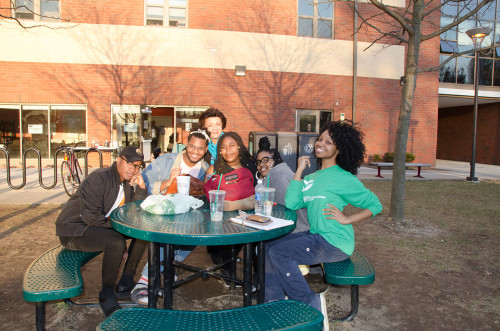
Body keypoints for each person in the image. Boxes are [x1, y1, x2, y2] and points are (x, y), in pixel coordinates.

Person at [265, 120, 383, 330]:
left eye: (329, 142)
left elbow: (375, 204)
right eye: (320, 139)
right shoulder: (313, 177)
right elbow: (293, 203)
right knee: (269, 247)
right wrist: (299, 172)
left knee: (279, 253)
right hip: (317, 236)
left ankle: (310, 303)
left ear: (339, 149)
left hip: (334, 242)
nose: (321, 144)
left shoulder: (344, 178)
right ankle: (274, 305)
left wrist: (347, 219)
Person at [55, 146, 148, 316]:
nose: (133, 169)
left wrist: (140, 189)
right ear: (119, 160)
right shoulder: (99, 178)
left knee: (142, 233)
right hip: (75, 230)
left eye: (137, 166)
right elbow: (90, 218)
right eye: (130, 164)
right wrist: (118, 237)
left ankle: (125, 282)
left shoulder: (126, 183)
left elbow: (134, 214)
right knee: (116, 242)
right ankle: (106, 294)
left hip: (97, 228)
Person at [131, 129, 210, 305]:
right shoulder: (166, 161)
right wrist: (168, 183)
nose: (195, 151)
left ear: (205, 150)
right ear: (186, 145)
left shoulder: (206, 170)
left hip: (186, 215)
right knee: (165, 234)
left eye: (200, 148)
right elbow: (143, 182)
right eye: (192, 146)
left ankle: (169, 264)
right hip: (160, 212)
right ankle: (144, 281)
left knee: (198, 231)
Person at [203, 132, 256, 284]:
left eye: (231, 145)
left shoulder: (250, 167)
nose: (228, 150)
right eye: (223, 147)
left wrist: (232, 204)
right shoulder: (213, 169)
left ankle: (256, 279)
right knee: (227, 248)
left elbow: (254, 198)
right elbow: (210, 196)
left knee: (254, 245)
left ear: (239, 146)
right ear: (219, 151)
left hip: (249, 220)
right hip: (221, 223)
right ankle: (228, 274)